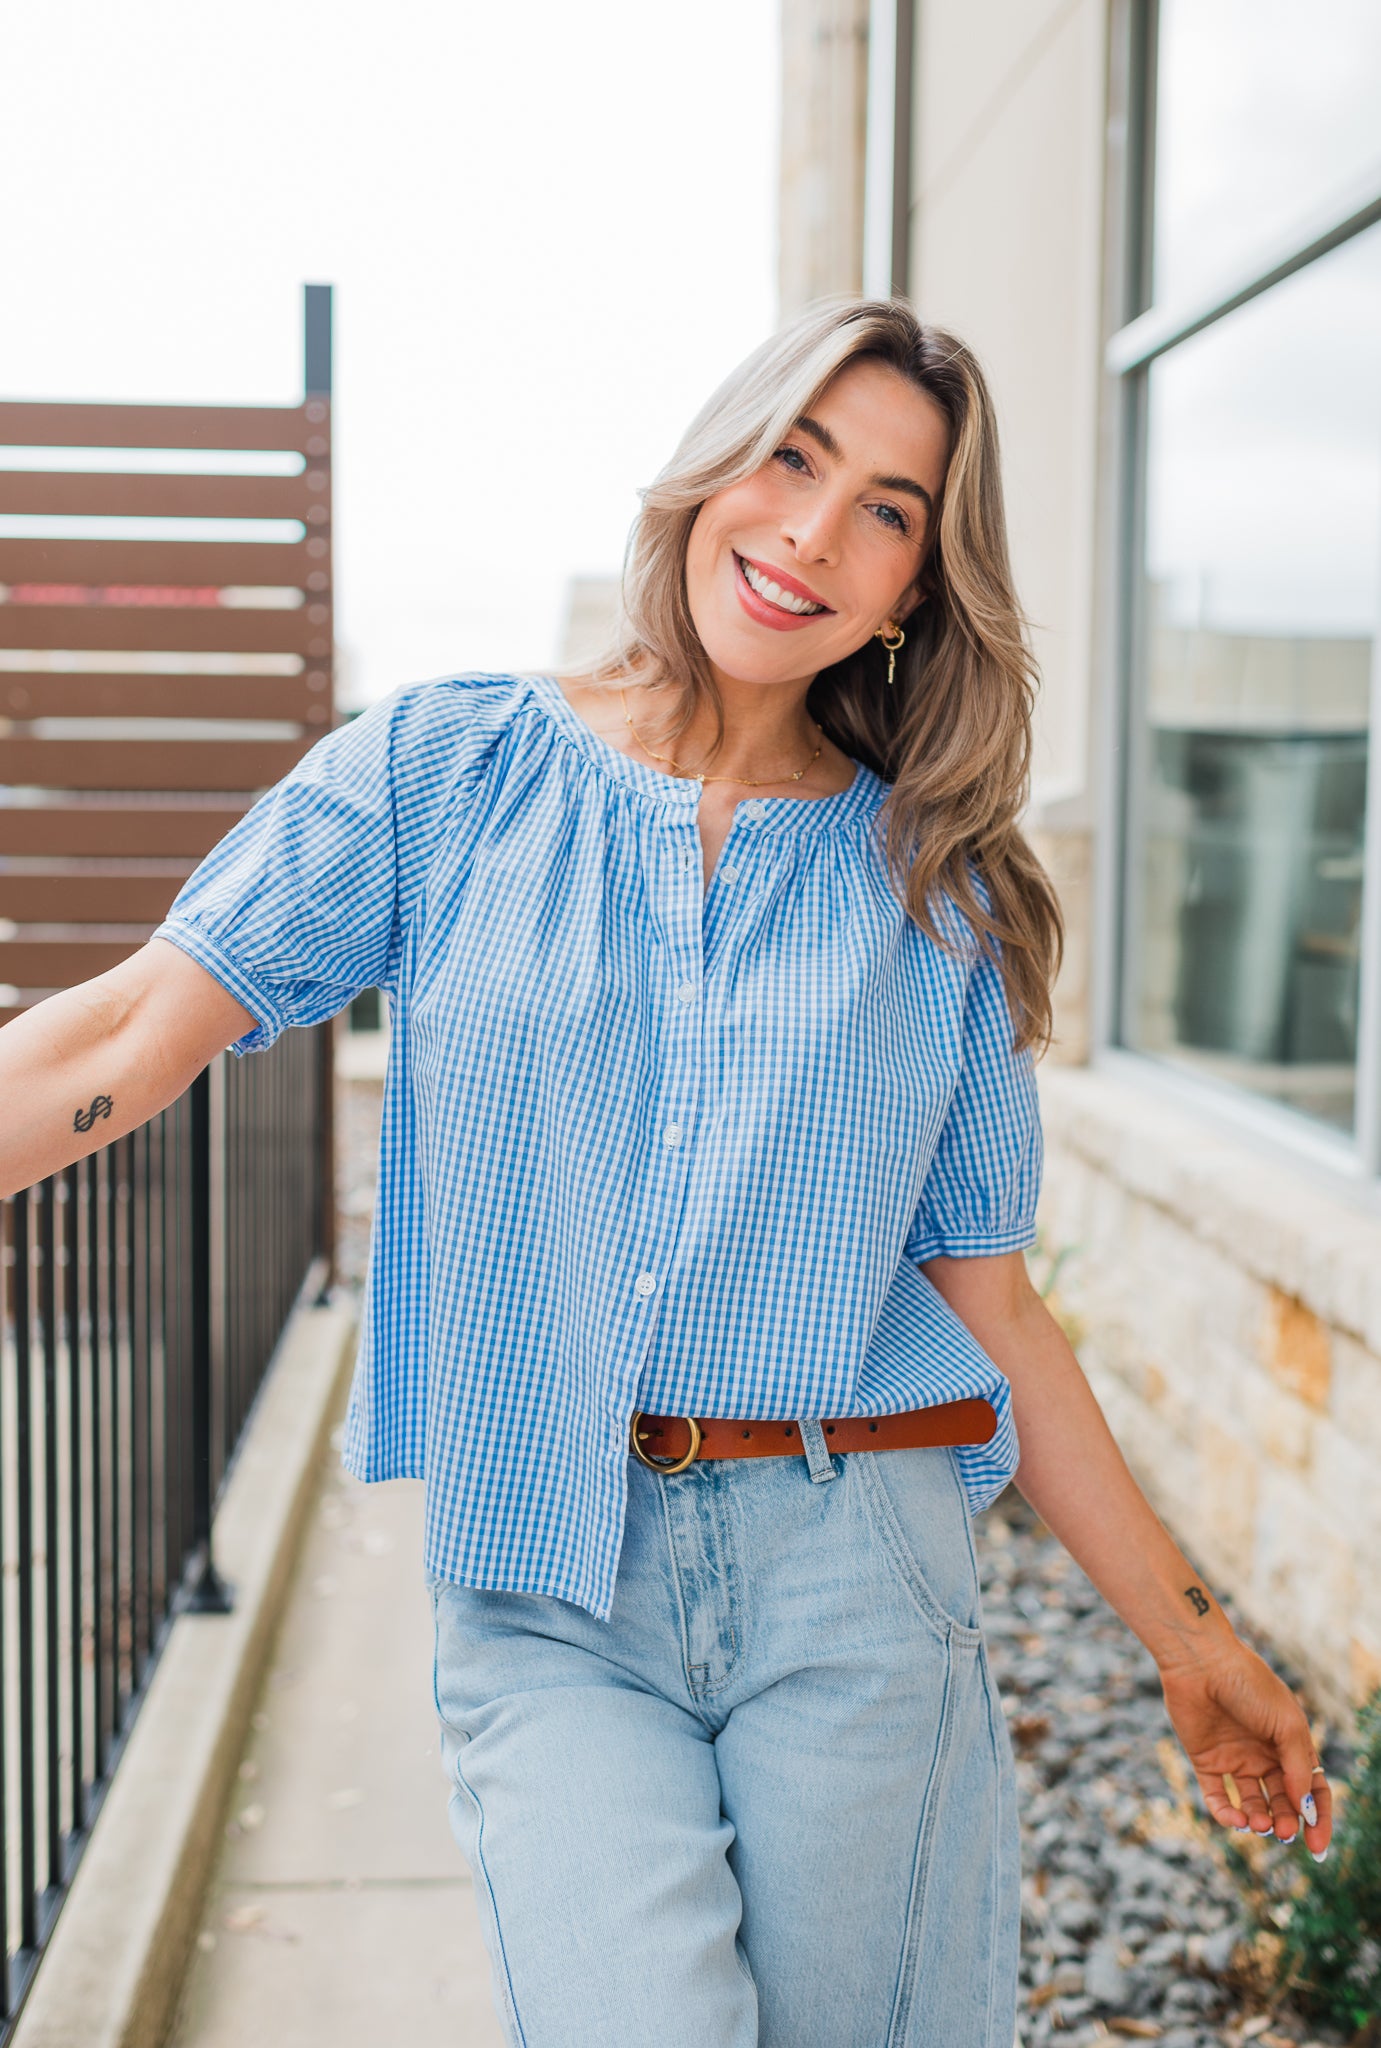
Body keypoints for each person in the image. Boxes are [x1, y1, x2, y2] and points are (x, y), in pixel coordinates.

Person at [0, 296, 1332, 2048]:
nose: (810, 534)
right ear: (710, 468)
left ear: (915, 586)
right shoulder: (439, 773)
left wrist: (1188, 1635)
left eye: (885, 509)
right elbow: (115, 1038)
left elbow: (986, 1299)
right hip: (547, 1580)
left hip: (858, 1570)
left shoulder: (943, 893)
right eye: (792, 459)